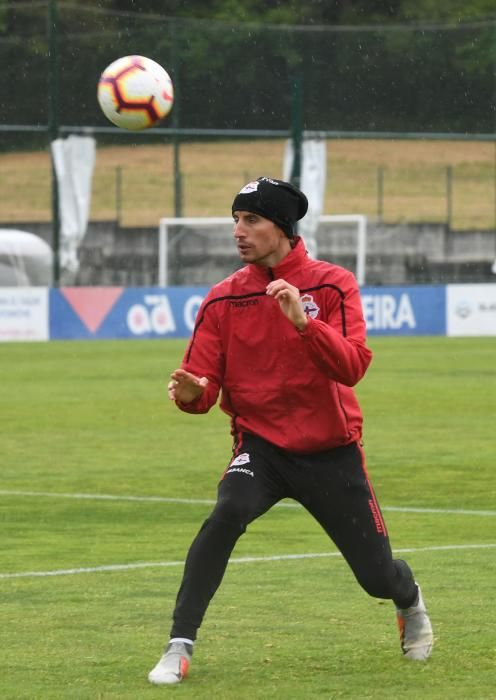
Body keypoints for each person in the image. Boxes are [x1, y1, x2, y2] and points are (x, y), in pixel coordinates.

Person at [148, 176, 433, 686]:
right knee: (227, 511)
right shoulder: (221, 300)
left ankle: (408, 597)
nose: (239, 231)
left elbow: (352, 367)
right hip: (262, 449)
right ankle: (178, 645)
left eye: (251, 220)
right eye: (235, 219)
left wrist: (305, 323)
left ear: (281, 227)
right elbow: (203, 385)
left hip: (331, 452)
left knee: (376, 577)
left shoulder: (332, 285)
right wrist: (192, 395)